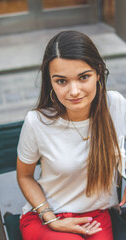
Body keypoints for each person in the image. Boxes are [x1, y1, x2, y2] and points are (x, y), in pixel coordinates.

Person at [17, 31, 126, 240]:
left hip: (96, 215)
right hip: (47, 216)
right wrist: (52, 220)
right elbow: (24, 175)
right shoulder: (37, 122)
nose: (74, 91)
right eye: (61, 81)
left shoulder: (115, 105)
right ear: (50, 82)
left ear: (98, 72)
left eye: (83, 77)